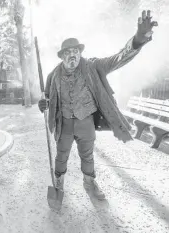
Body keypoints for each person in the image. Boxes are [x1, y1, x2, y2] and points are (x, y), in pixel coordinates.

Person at [38, 10, 158, 199]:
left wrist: (139, 38)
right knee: (61, 155)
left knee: (87, 155)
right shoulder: (53, 76)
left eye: (75, 51)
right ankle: (58, 183)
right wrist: (43, 104)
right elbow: (48, 99)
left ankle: (89, 182)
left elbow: (119, 58)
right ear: (61, 56)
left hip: (86, 121)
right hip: (65, 124)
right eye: (67, 53)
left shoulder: (93, 66)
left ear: (80, 52)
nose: (72, 56)